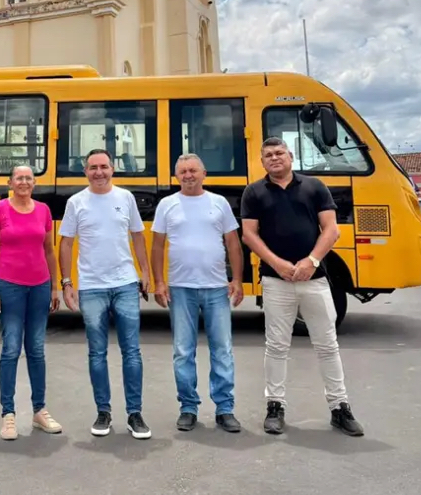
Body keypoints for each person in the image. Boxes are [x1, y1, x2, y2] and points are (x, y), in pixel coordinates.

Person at [240, 137, 364, 437]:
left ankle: (339, 407)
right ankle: (275, 406)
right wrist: (278, 263)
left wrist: (311, 260)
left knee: (327, 345)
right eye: (268, 155)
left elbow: (331, 229)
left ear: (290, 156)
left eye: (279, 153)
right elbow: (249, 235)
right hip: (274, 280)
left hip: (315, 280)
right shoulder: (254, 192)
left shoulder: (314, 187)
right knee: (276, 346)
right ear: (262, 161)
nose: (274, 158)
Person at [58, 149, 153, 439]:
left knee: (132, 352)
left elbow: (138, 235)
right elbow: (65, 244)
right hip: (91, 286)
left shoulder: (125, 198)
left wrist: (145, 272)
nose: (98, 172)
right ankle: (104, 412)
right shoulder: (76, 203)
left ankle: (135, 414)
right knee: (97, 353)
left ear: (113, 169)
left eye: (103, 167)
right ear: (85, 172)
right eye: (92, 168)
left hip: (125, 283)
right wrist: (66, 283)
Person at [151, 153, 244, 433]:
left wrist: (237, 280)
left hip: (216, 287)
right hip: (180, 288)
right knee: (183, 351)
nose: (188, 175)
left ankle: (225, 408)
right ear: (176, 176)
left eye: (193, 170)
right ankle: (188, 407)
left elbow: (233, 244)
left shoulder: (219, 203)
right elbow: (157, 246)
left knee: (222, 350)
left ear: (204, 173)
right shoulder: (167, 205)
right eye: (183, 171)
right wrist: (159, 282)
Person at [0, 165, 62, 440]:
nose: (24, 182)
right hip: (9, 286)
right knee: (11, 348)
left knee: (37, 350)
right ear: (10, 182)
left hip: (39, 286)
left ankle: (40, 411)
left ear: (34, 182)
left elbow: (49, 251)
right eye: (19, 178)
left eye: (28, 178)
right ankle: (9, 415)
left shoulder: (43, 211)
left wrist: (54, 287)